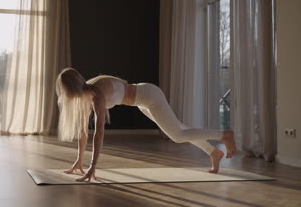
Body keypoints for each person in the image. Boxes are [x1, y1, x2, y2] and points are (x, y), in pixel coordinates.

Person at [56, 67, 236, 182]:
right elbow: (83, 131)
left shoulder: (97, 94)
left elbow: (99, 132)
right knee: (179, 128)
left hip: (150, 97)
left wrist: (92, 166)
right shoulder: (88, 92)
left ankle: (224, 135)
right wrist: (79, 161)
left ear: (72, 90)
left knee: (177, 135)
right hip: (143, 100)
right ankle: (213, 153)